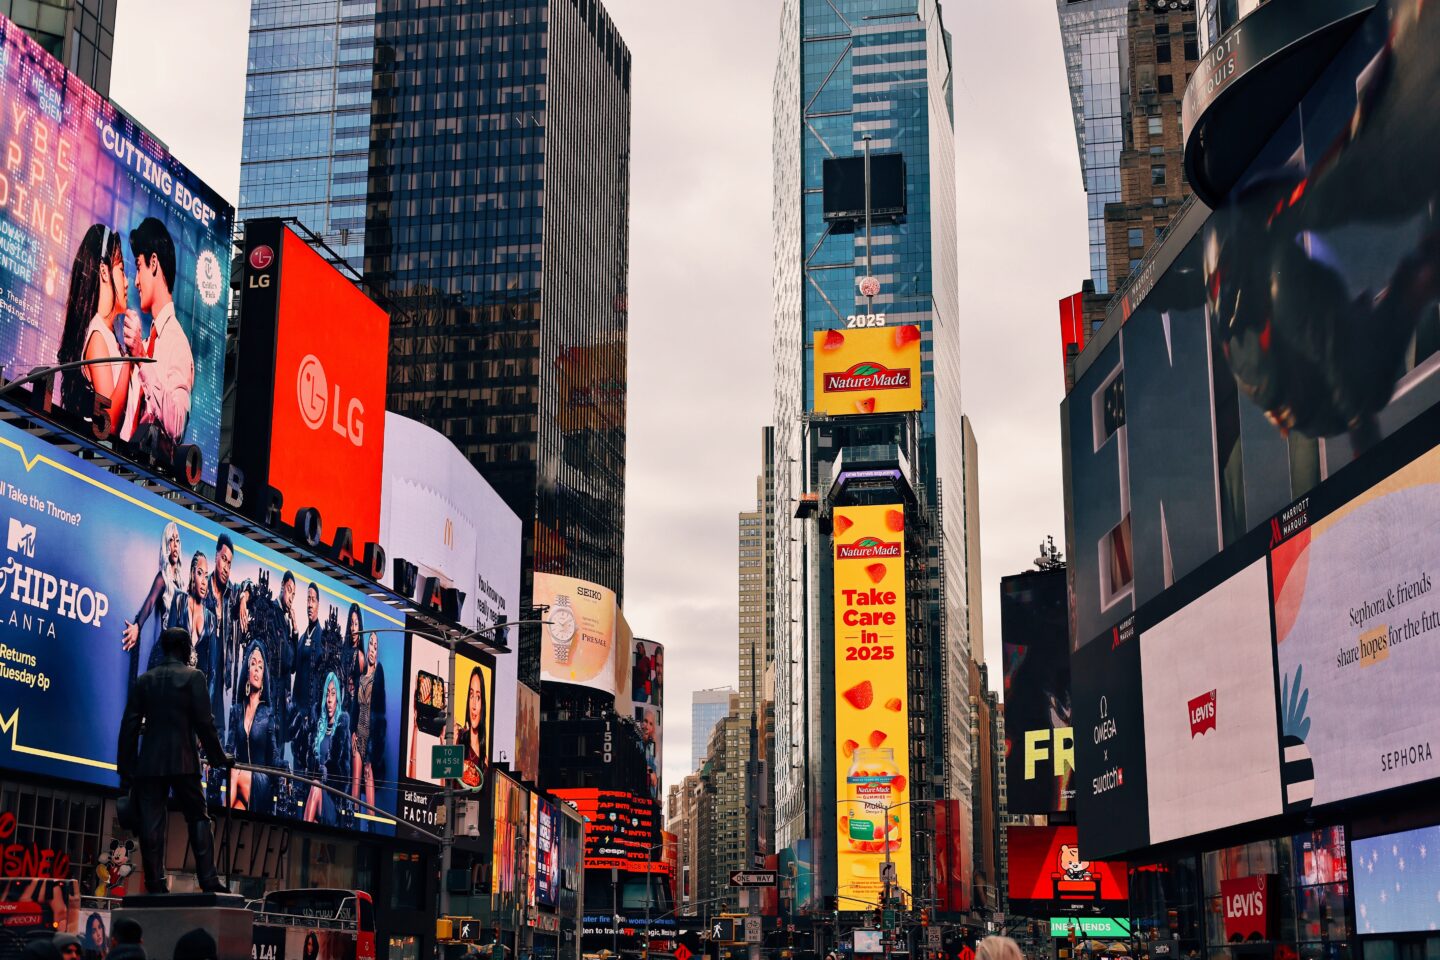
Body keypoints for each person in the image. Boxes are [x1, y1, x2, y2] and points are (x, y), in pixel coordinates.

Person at [116, 627, 232, 893]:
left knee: (151, 822)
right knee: (198, 818)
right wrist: (218, 758)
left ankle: (155, 882)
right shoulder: (194, 678)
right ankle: (208, 879)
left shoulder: (146, 680)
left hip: (150, 764)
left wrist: (127, 769)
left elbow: (129, 726)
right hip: (184, 761)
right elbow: (205, 723)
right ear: (185, 648)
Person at [124, 217, 193, 458]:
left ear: (153, 263)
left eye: (138, 266)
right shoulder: (144, 345)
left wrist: (142, 359)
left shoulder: (177, 344)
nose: (135, 281)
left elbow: (176, 426)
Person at [57, 224, 137, 434]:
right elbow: (107, 424)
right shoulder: (97, 338)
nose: (127, 282)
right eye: (121, 270)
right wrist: (129, 361)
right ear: (104, 271)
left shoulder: (109, 337)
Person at [121, 521, 187, 683]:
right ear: (166, 546)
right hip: (162, 653)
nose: (175, 545)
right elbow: (150, 603)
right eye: (171, 541)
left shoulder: (181, 583)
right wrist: (137, 626)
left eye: (177, 540)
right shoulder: (162, 579)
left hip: (176, 658)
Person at [228, 640, 281, 815]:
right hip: (238, 777)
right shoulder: (236, 711)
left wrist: (283, 766)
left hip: (260, 780)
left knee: (236, 775)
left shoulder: (268, 714)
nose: (257, 669)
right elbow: (230, 750)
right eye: (253, 664)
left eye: (260, 665)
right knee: (235, 780)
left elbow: (273, 757)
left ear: (263, 675)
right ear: (247, 672)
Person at [304, 672, 352, 825]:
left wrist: (328, 774)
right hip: (314, 794)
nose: (330, 700)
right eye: (327, 695)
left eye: (333, 694)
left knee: (316, 787)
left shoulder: (342, 729)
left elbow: (345, 777)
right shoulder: (319, 728)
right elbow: (308, 768)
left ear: (338, 697)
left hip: (332, 801)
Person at [292, 583, 325, 770]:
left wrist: (313, 715)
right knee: (297, 762)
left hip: (311, 717)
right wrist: (296, 630)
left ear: (318, 604)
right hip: (298, 714)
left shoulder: (321, 637)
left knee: (309, 765)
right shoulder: (304, 635)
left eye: (313, 600)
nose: (310, 604)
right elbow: (295, 667)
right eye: (308, 599)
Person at [351, 631, 383, 810]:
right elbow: (355, 708)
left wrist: (374, 744)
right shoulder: (361, 678)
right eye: (371, 644)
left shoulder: (378, 677)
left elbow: (380, 713)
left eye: (376, 646)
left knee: (368, 774)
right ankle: (353, 822)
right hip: (358, 732)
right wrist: (352, 732)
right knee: (355, 783)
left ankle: (371, 824)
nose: (372, 649)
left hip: (370, 735)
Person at [168, 551, 215, 673]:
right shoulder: (179, 600)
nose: (204, 582)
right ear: (192, 574)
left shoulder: (211, 619)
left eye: (206, 576)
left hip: (196, 687)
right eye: (200, 573)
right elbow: (168, 647)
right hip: (176, 680)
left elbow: (212, 668)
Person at [458, 666, 487, 789]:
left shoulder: (485, 761)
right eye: (471, 695)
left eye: (478, 697)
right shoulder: (457, 737)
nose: (474, 705)